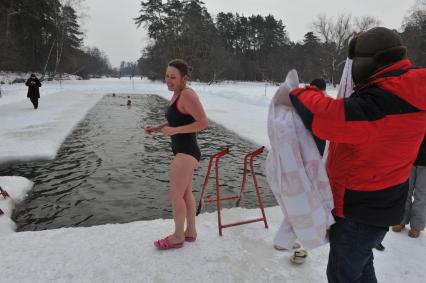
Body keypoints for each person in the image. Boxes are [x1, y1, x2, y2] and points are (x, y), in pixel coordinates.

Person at [285, 27, 426, 282]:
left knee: (342, 274)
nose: (353, 68)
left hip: (361, 208)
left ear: (374, 61)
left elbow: (327, 118)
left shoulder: (383, 101)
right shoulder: (405, 87)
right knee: (361, 265)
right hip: (379, 201)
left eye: (355, 61)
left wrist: (302, 93)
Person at [144, 59, 208, 250]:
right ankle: (190, 232)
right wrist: (158, 128)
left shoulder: (188, 95)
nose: (168, 80)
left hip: (187, 152)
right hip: (183, 151)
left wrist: (175, 131)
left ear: (184, 78)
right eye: (167, 76)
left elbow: (203, 123)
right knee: (185, 193)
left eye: (173, 77)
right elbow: (178, 119)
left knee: (175, 194)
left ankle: (177, 236)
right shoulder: (178, 94)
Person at [392, 135, 426, 238]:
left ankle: (416, 226)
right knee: (405, 191)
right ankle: (400, 219)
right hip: (410, 158)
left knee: (421, 196)